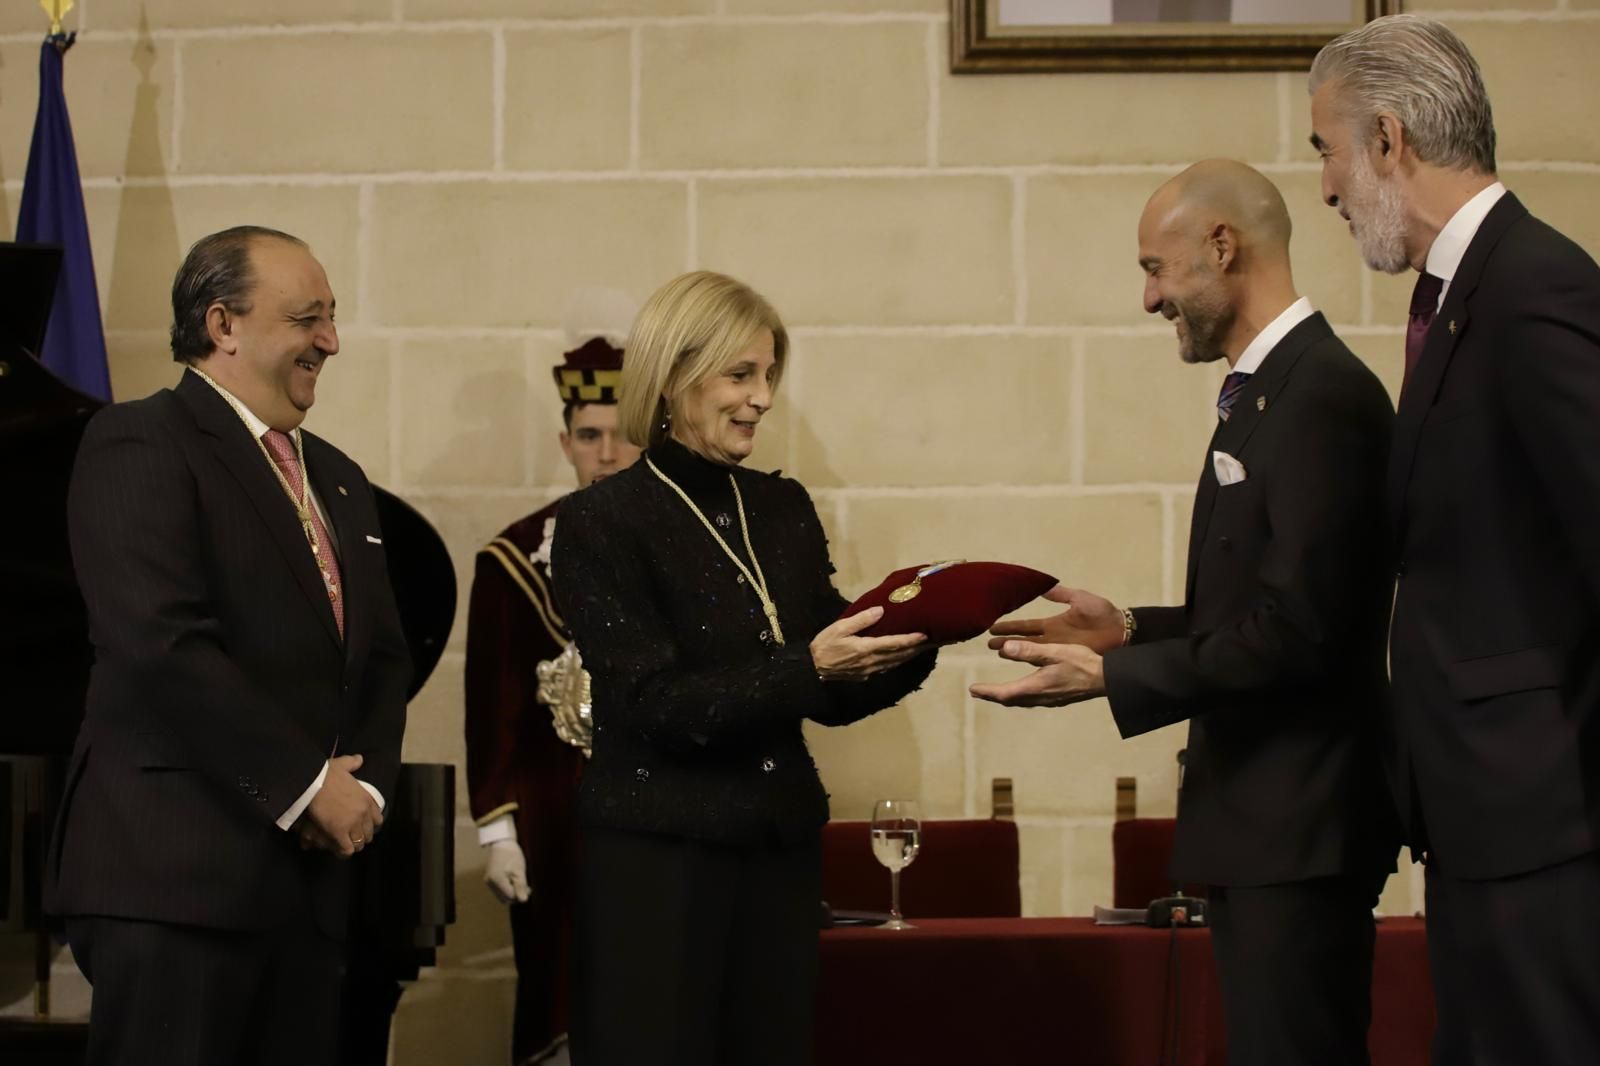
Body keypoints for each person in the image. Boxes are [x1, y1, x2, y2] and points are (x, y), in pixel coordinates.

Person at [972, 161, 1399, 1065]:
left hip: (1301, 827)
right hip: (1264, 825)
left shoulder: (1321, 393)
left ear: (1221, 246)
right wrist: (1124, 628)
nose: (1148, 297)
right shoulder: (1273, 388)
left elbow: (1306, 631)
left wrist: (1115, 677)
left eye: (1155, 270)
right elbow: (1257, 607)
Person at [46, 225, 411, 1066]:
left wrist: (369, 798)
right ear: (223, 325)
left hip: (307, 892)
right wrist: (304, 785)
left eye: (332, 317)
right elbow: (160, 645)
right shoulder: (140, 442)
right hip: (177, 884)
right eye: (307, 318)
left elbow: (386, 660)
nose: (331, 340)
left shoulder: (341, 477)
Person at [551, 271, 936, 1066]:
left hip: (776, 848)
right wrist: (809, 668)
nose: (762, 398)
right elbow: (653, 703)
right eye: (741, 375)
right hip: (660, 862)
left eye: (768, 376)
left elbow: (827, 693)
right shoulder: (602, 519)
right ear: (675, 378)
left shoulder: (780, 507)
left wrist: (922, 633)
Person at [1309, 15, 1600, 1062]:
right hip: (1486, 817)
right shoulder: (1462, 293)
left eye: (1327, 152)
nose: (1329, 188)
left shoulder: (1532, 288)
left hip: (1545, 821)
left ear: (1387, 139)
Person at [464, 333, 641, 1065]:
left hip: (659, 818)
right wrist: (497, 834)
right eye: (590, 437)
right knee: (556, 999)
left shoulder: (690, 552)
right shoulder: (513, 557)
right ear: (564, 443)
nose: (607, 454)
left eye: (624, 436)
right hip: (550, 824)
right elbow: (493, 703)